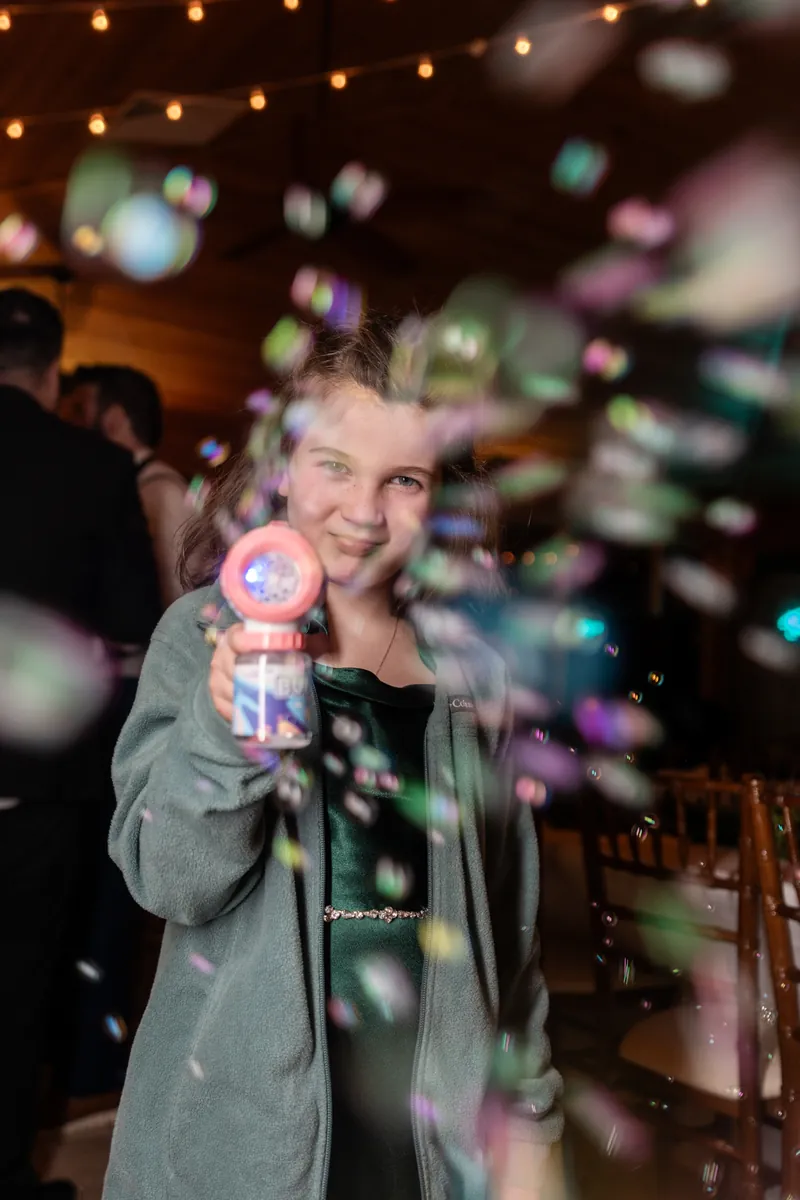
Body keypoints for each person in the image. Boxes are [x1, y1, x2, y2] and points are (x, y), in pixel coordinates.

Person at [103, 320, 562, 1200]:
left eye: (404, 480)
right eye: (336, 466)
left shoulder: (475, 677)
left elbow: (514, 928)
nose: (363, 512)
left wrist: (529, 1121)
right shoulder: (203, 637)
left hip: (427, 1126)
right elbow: (170, 881)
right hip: (241, 1134)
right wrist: (226, 727)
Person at [0, 288, 161, 1200]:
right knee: (18, 989)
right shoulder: (91, 469)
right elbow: (134, 625)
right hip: (35, 790)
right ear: (54, 371)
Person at [64, 365, 188, 607]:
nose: (67, 420)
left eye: (79, 410)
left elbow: (178, 602)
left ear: (114, 420)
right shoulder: (131, 485)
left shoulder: (163, 491)